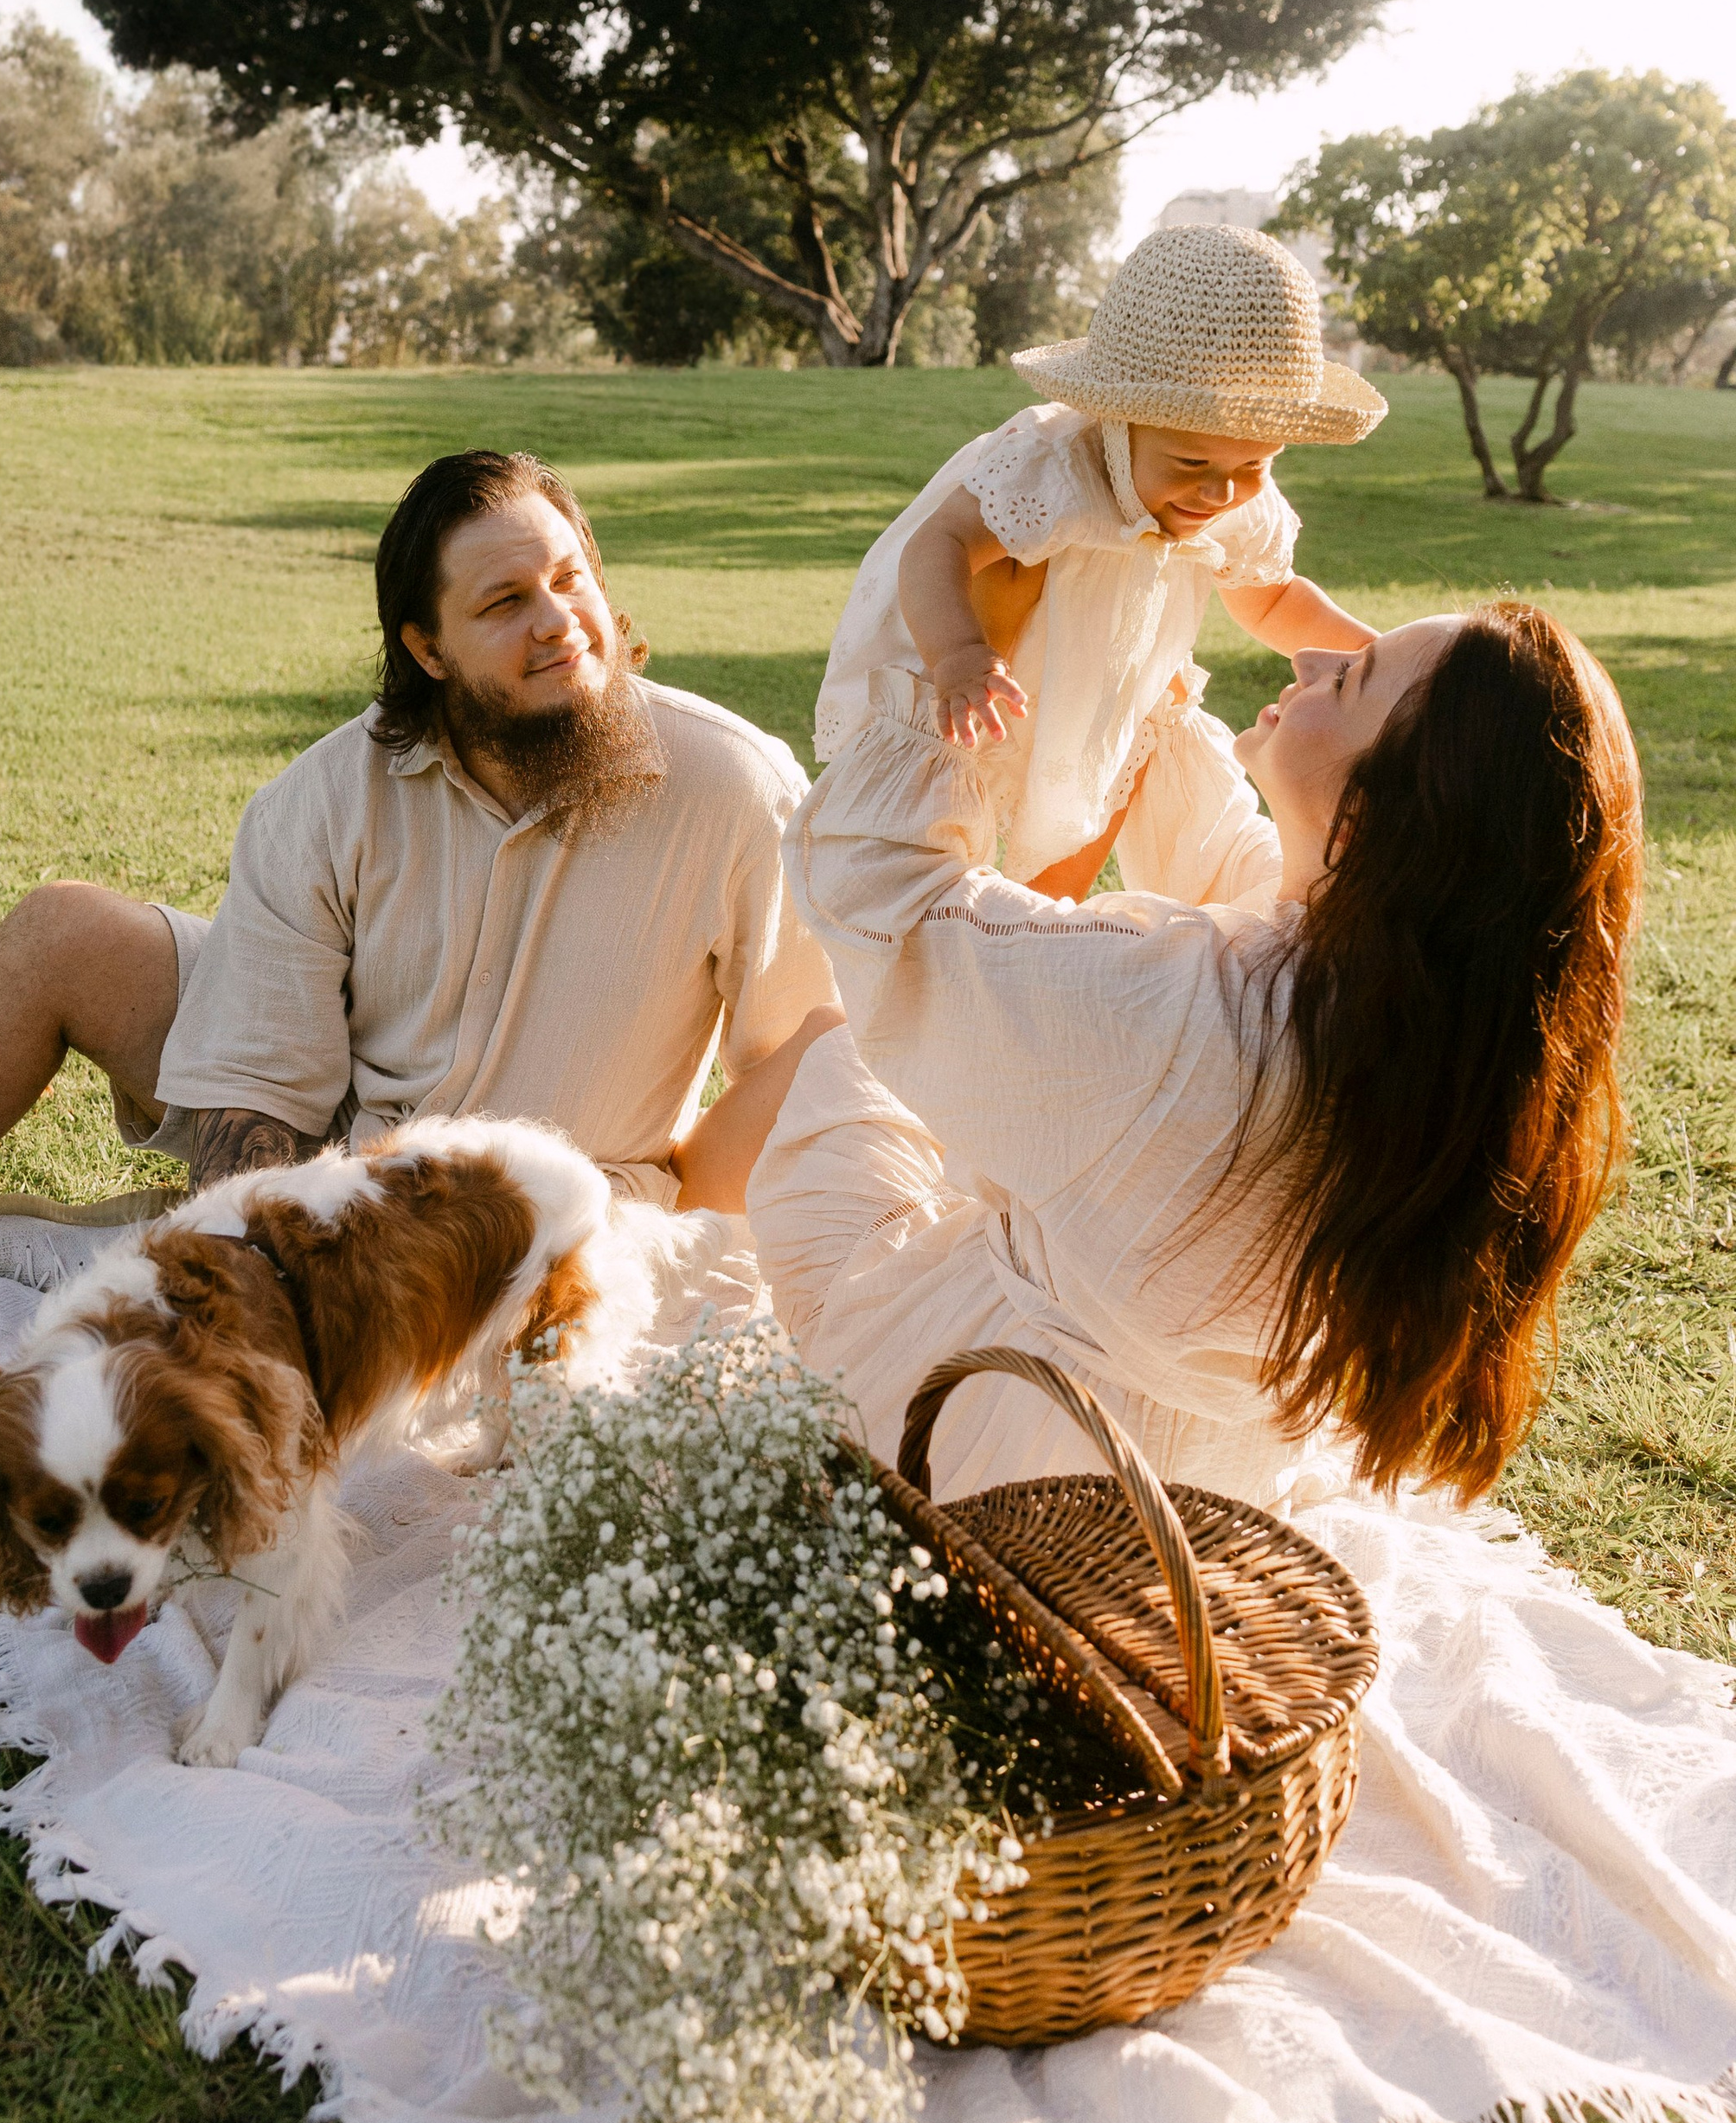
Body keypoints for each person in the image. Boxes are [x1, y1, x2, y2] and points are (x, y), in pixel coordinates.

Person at [0, 451, 835, 1397]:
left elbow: (804, 1054)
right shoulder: (327, 795)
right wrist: (242, 1281)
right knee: (67, 931)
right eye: (504, 604)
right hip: (329, 1159)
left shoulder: (734, 785)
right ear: (427, 650)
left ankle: (115, 1254)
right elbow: (260, 1100)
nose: (560, 625)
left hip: (526, 1220)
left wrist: (665, 1227)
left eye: (569, 580)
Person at [689, 601, 1641, 1510]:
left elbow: (879, 890)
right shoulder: (1423, 1007)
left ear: (1368, 821)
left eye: (1349, 679)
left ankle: (662, 1206)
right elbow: (1230, 860)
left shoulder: (1184, 1005)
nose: (1310, 658)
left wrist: (944, 677)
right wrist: (1146, 675)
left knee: (842, 1046)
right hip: (1208, 1483)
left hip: (981, 1438)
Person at [813, 224, 1387, 905]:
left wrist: (1383, 656)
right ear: (1119, 420)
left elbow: (1272, 598)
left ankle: (1048, 937)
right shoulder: (1051, 462)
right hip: (980, 678)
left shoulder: (1234, 494)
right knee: (938, 840)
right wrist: (958, 655)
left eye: (1256, 464)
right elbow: (939, 545)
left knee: (1076, 835)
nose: (1221, 492)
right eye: (1191, 463)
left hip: (1103, 694)